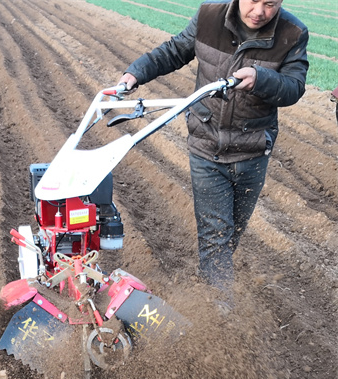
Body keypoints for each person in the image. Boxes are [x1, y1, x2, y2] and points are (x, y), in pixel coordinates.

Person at [118, 0, 308, 310]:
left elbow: (294, 88)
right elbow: (174, 50)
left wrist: (261, 78)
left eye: (270, 4)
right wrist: (134, 74)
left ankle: (209, 288)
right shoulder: (209, 17)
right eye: (253, 1)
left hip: (252, 153)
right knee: (216, 239)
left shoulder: (293, 33)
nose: (259, 11)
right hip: (207, 149)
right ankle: (219, 315)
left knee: (229, 237)